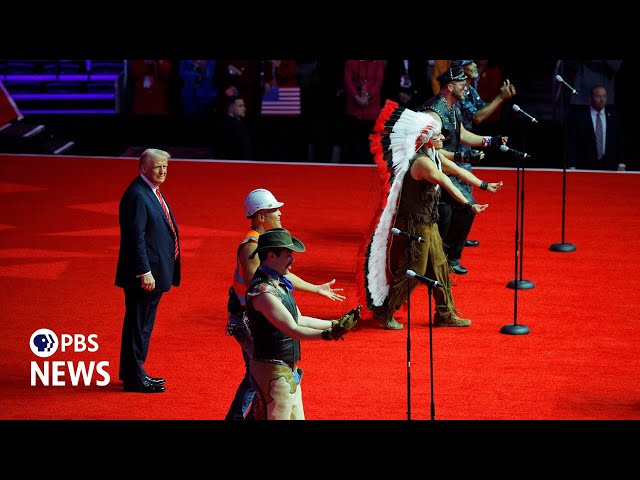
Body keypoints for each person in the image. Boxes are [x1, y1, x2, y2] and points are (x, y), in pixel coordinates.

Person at [359, 99, 503, 330]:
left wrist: (484, 184)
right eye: (438, 137)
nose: (443, 139)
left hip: (429, 222)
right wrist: (469, 204)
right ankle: (385, 311)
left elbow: (455, 170)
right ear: (426, 140)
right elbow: (445, 181)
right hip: (414, 225)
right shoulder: (422, 163)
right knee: (414, 271)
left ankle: (445, 313)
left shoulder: (434, 155)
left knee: (440, 265)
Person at [225, 189, 346, 420]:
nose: (280, 213)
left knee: (259, 374)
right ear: (260, 216)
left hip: (256, 314)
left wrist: (315, 288)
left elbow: (278, 277)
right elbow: (261, 285)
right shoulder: (252, 245)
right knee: (259, 371)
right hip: (249, 317)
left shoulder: (266, 243)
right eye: (274, 210)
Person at [245, 227, 361, 420]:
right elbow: (294, 329)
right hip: (273, 370)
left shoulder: (278, 284)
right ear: (271, 256)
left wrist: (334, 323)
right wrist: (329, 334)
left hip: (284, 369)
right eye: (288, 255)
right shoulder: (264, 292)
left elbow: (300, 319)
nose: (293, 260)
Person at [419, 66, 508, 275]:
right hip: (431, 172)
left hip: (447, 168)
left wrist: (490, 141)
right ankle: (432, 263)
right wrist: (462, 157)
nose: (466, 88)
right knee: (448, 212)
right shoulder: (433, 114)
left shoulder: (453, 107)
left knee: (465, 206)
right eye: (462, 85)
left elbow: (462, 134)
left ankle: (450, 259)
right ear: (450, 87)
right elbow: (429, 152)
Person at [115, 148, 180, 393]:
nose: (162, 171)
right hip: (144, 275)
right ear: (143, 168)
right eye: (157, 167)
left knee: (142, 325)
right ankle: (133, 376)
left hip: (154, 272)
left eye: (165, 167)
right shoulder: (137, 195)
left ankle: (135, 371)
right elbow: (135, 238)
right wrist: (144, 271)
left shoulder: (150, 191)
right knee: (137, 324)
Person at [448, 59, 516, 249]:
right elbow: (478, 118)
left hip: (466, 146)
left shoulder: (470, 89)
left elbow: (481, 110)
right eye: (471, 63)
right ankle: (453, 240)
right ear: (461, 68)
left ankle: (458, 236)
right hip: (455, 149)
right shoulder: (457, 93)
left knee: (466, 193)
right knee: (460, 196)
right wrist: (500, 98)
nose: (476, 66)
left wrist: (501, 99)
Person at [566, 84, 627, 171]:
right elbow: (573, 142)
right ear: (591, 98)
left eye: (604, 96)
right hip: (585, 166)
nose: (602, 100)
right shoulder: (580, 117)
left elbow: (620, 141)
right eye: (598, 96)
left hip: (610, 166)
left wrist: (622, 163)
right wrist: (572, 165)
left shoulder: (614, 117)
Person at [213, 94, 253, 160]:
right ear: (231, 108)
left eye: (244, 105)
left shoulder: (237, 123)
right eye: (240, 106)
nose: (244, 108)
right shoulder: (232, 125)